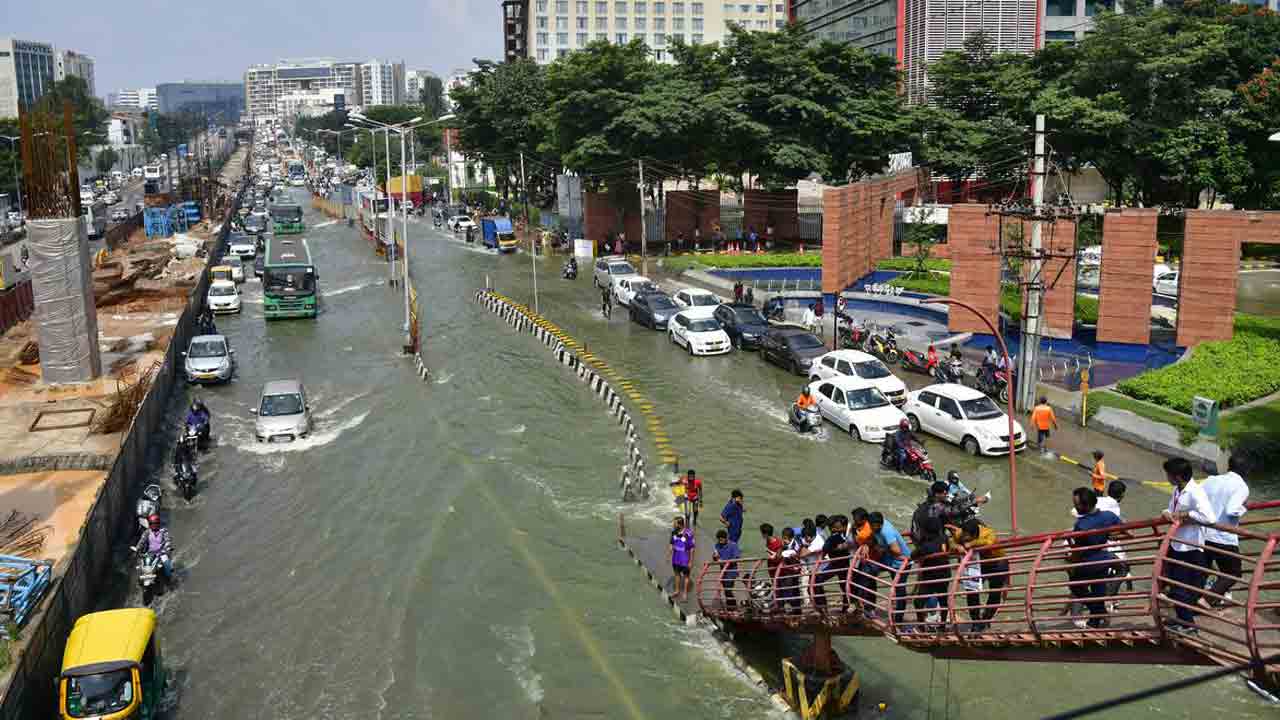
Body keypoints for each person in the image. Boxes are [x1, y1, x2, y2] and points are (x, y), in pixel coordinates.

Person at [1160, 457, 1215, 633]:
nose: (1166, 477)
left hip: (1190, 546)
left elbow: (1209, 518)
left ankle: (1189, 625)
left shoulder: (1195, 492)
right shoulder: (1178, 490)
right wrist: (1168, 513)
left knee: (1179, 588)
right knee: (1173, 585)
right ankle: (1182, 621)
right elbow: (1172, 510)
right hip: (1176, 543)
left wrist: (1188, 514)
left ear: (1177, 476)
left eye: (1168, 474)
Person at [1201, 450, 1251, 608]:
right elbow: (1232, 510)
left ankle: (1187, 597)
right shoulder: (1241, 486)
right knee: (1233, 573)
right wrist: (1243, 508)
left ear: (1229, 466)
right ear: (1246, 470)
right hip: (1223, 537)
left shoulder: (1211, 480)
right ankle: (1207, 599)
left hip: (1204, 533)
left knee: (1201, 570)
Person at [1069, 487, 1122, 628]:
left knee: (1075, 586)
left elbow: (1077, 552)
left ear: (1085, 505)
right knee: (1098, 589)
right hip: (1103, 560)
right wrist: (1111, 535)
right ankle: (1096, 620)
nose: (1075, 506)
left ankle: (1099, 613)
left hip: (1087, 563)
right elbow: (1125, 531)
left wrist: (1072, 567)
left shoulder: (1081, 525)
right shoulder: (1109, 516)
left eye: (1077, 504)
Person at [948, 517, 1007, 631]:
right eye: (963, 537)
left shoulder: (989, 533)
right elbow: (951, 542)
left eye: (967, 538)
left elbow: (989, 543)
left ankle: (986, 620)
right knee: (971, 591)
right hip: (977, 564)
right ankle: (975, 621)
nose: (964, 539)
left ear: (975, 534)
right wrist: (958, 546)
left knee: (995, 592)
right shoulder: (962, 532)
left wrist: (971, 544)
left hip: (996, 562)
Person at [814, 516, 851, 614]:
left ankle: (823, 607)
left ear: (844, 527)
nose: (834, 530)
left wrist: (822, 557)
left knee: (817, 580)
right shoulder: (844, 537)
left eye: (837, 528)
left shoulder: (833, 538)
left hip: (838, 565)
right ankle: (843, 608)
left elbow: (825, 549)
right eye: (832, 527)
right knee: (845, 587)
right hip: (839, 564)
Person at [134, 513, 174, 580]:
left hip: (161, 553)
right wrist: (137, 548)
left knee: (166, 563)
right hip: (150, 553)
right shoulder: (147, 532)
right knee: (141, 563)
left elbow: (167, 540)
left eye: (155, 523)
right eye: (152, 523)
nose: (153, 525)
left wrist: (168, 547)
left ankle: (169, 578)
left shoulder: (163, 531)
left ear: (158, 523)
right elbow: (142, 541)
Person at [712, 529, 740, 608]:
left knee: (728, 589)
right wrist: (715, 557)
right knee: (726, 590)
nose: (720, 542)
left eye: (721, 540)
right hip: (723, 572)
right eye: (719, 540)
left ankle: (732, 605)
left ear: (726, 538)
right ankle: (730, 605)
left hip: (731, 572)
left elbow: (736, 558)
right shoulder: (717, 545)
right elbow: (715, 557)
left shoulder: (733, 545)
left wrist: (724, 561)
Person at [669, 516, 695, 602]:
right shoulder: (673, 532)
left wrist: (691, 561)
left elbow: (692, 548)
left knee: (686, 576)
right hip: (675, 559)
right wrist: (669, 552)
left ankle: (685, 594)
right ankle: (677, 591)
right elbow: (671, 543)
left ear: (679, 525)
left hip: (685, 559)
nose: (673, 524)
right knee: (677, 574)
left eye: (674, 523)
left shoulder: (688, 533)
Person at [778, 528, 803, 614]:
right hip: (787, 569)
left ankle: (796, 608)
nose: (784, 540)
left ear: (791, 538)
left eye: (785, 538)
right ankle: (791, 607)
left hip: (794, 570)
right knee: (786, 586)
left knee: (792, 588)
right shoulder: (784, 545)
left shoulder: (795, 545)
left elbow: (794, 555)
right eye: (783, 538)